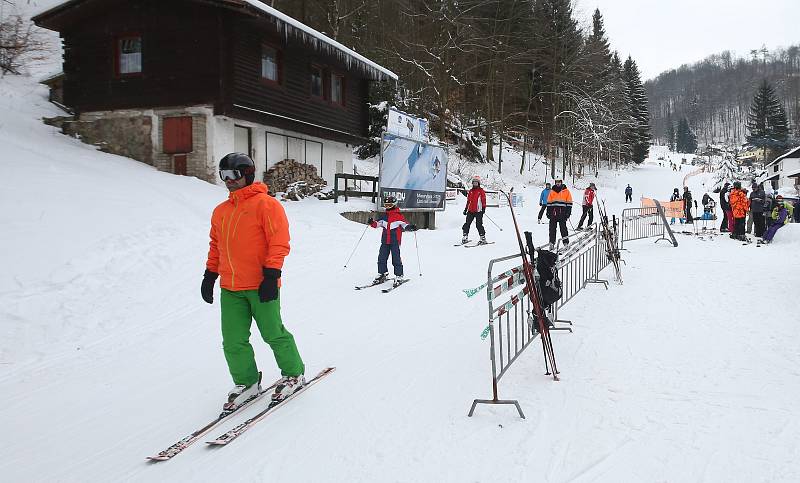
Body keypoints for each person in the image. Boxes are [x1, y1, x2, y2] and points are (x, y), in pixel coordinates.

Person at [202, 153, 305, 408]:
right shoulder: (221, 211)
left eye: (233, 175)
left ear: (247, 174)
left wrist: (271, 275)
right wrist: (209, 274)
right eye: (223, 175)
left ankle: (293, 373)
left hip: (261, 285)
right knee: (233, 340)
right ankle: (247, 381)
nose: (228, 181)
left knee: (273, 333)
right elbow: (216, 246)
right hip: (231, 288)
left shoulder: (267, 205)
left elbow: (279, 242)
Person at [368, 196, 418, 288]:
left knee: (396, 259)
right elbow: (377, 224)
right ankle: (383, 273)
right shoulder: (384, 217)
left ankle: (399, 275)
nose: (387, 206)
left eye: (389, 204)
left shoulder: (399, 216)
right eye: (386, 204)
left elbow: (405, 225)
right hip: (385, 241)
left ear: (394, 204)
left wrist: (410, 227)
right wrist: (372, 223)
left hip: (395, 241)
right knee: (381, 258)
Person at [546, 179, 573, 249]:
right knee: (552, 229)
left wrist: (568, 213)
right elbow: (549, 202)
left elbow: (569, 203)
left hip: (562, 213)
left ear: (561, 182)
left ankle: (566, 242)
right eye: (557, 182)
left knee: (563, 228)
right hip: (553, 213)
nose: (558, 183)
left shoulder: (566, 191)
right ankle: (551, 243)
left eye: (559, 182)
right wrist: (548, 212)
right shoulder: (552, 191)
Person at [462, 176, 487, 244]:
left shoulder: (481, 191)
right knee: (467, 224)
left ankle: (483, 238)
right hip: (470, 210)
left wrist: (483, 208)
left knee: (478, 225)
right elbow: (468, 201)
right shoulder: (470, 191)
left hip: (479, 211)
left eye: (476, 183)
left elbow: (483, 200)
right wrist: (466, 209)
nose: (475, 184)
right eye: (474, 183)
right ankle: (465, 236)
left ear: (478, 183)